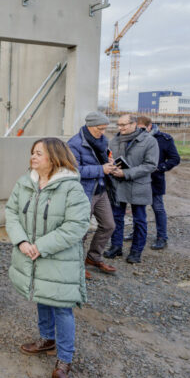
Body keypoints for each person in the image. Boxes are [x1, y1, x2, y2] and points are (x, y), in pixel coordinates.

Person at [5, 138, 90, 378]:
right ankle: (46, 339)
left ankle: (64, 360)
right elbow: (11, 212)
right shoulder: (25, 181)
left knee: (62, 307)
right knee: (40, 295)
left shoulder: (72, 188)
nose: (33, 157)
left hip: (57, 258)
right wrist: (21, 241)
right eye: (32, 152)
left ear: (54, 157)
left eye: (38, 153)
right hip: (30, 254)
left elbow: (76, 226)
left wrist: (41, 246)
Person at [67, 111, 117, 278]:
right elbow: (73, 171)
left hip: (101, 190)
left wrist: (109, 163)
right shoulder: (74, 144)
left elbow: (102, 159)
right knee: (80, 230)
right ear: (89, 126)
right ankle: (76, 265)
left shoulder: (102, 141)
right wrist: (101, 169)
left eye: (105, 129)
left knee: (109, 225)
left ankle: (93, 257)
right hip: (84, 193)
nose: (103, 132)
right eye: (100, 128)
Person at [104, 114, 159, 264]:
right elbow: (110, 158)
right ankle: (116, 247)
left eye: (124, 125)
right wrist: (112, 167)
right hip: (118, 186)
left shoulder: (149, 141)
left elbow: (151, 165)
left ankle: (136, 251)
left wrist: (126, 173)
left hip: (138, 187)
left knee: (139, 220)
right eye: (119, 125)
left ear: (134, 124)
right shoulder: (114, 141)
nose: (120, 128)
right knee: (116, 218)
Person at [130, 116, 180, 250]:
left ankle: (162, 237)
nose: (138, 131)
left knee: (158, 208)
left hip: (154, 180)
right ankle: (136, 232)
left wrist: (159, 168)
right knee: (137, 208)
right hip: (138, 179)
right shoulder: (133, 137)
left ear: (149, 126)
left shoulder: (165, 139)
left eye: (141, 128)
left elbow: (175, 158)